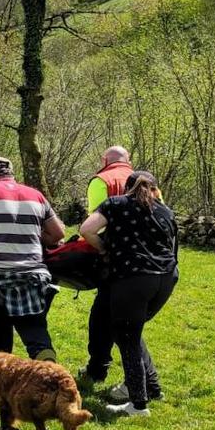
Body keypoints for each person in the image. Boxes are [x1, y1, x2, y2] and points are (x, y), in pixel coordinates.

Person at [79, 171, 178, 417]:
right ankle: (152, 387)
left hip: (133, 277)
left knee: (127, 338)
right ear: (155, 189)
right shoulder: (166, 212)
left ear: (127, 188)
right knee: (131, 331)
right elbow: (173, 247)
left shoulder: (116, 204)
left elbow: (87, 229)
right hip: (166, 278)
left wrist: (104, 249)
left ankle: (138, 404)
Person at [0, 157, 65, 361]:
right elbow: (58, 234)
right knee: (35, 331)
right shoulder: (36, 195)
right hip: (33, 276)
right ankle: (48, 367)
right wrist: (32, 235)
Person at [79, 146, 136, 385]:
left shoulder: (101, 180)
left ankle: (98, 368)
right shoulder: (145, 180)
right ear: (128, 160)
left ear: (104, 160)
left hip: (116, 258)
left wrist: (99, 250)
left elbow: (95, 224)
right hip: (150, 261)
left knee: (103, 316)